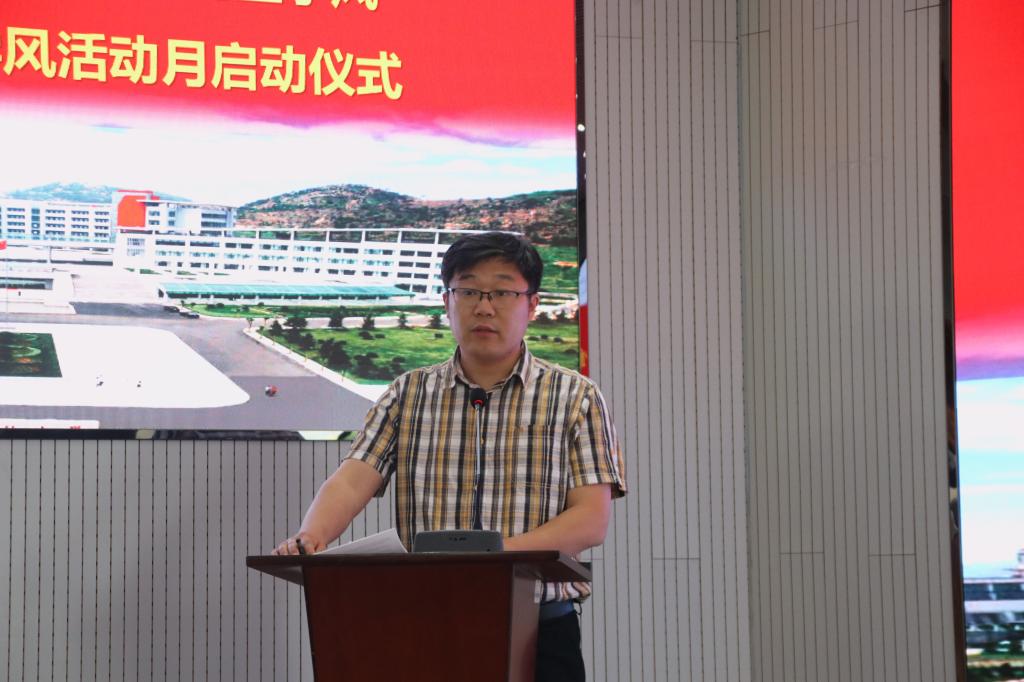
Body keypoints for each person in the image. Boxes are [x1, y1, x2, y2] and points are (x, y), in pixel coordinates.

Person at [273, 231, 626, 681]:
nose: (484, 307)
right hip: (425, 623)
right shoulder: (408, 393)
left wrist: (495, 558)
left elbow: (590, 520)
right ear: (447, 301)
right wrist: (311, 536)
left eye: (502, 292)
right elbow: (352, 479)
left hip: (540, 630)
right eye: (469, 290)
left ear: (532, 305)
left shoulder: (576, 396)